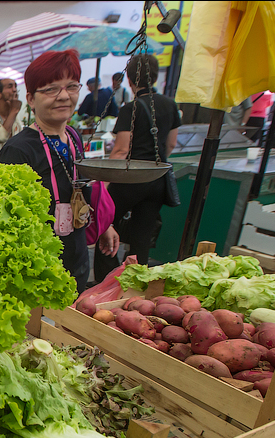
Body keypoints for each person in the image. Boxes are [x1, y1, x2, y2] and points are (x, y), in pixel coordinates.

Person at [0, 49, 119, 294]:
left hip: (77, 260)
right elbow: (2, 223)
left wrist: (104, 225)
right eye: (51, 89)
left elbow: (78, 189)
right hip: (38, 274)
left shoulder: (72, 136)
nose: (63, 96)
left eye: (71, 86)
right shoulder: (18, 151)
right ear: (31, 99)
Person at [93, 54, 180, 284]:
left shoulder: (130, 108)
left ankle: (106, 283)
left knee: (105, 224)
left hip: (131, 180)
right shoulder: (170, 105)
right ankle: (136, 285)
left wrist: (105, 183)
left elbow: (121, 150)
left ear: (130, 79)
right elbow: (170, 144)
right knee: (142, 236)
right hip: (157, 179)